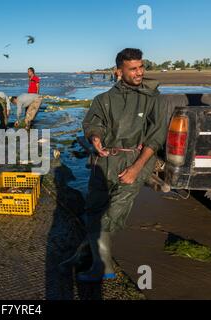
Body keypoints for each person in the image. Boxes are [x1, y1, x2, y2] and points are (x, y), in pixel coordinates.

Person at [70, 48, 166, 282]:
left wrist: (135, 169)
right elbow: (94, 123)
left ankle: (101, 267)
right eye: (133, 68)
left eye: (141, 67)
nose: (139, 72)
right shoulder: (103, 99)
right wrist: (95, 138)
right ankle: (88, 256)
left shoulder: (153, 98)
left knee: (112, 216)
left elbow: (156, 136)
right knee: (93, 210)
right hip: (104, 162)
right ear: (118, 71)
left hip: (136, 161)